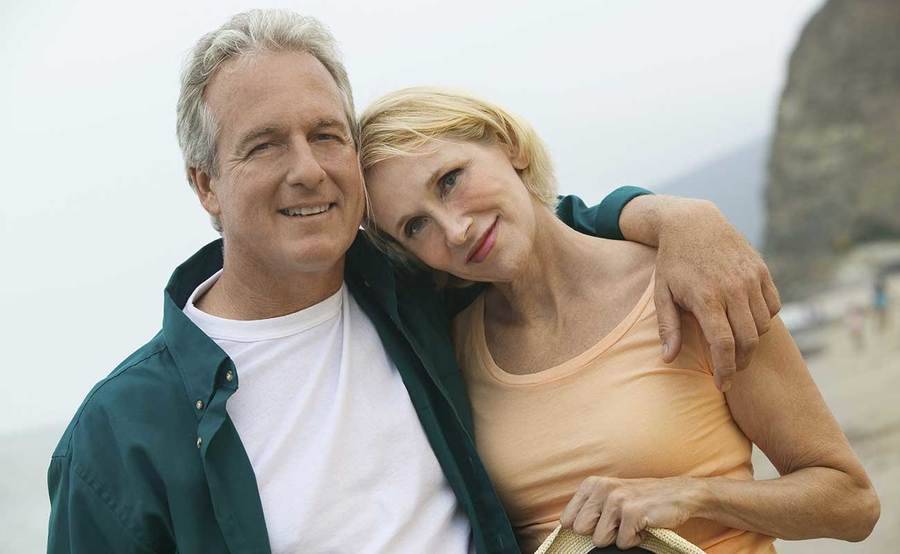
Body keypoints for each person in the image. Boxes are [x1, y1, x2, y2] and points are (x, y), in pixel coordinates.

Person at [47, 10, 782, 554]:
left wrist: (681, 218)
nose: (307, 168)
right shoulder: (117, 439)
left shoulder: (419, 288)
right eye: (265, 146)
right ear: (206, 184)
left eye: (326, 134)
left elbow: (540, 227)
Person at [358, 87, 881, 553]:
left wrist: (692, 496)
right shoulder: (452, 352)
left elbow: (851, 503)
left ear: (507, 145)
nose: (455, 230)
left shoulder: (692, 284)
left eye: (450, 180)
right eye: (416, 225)